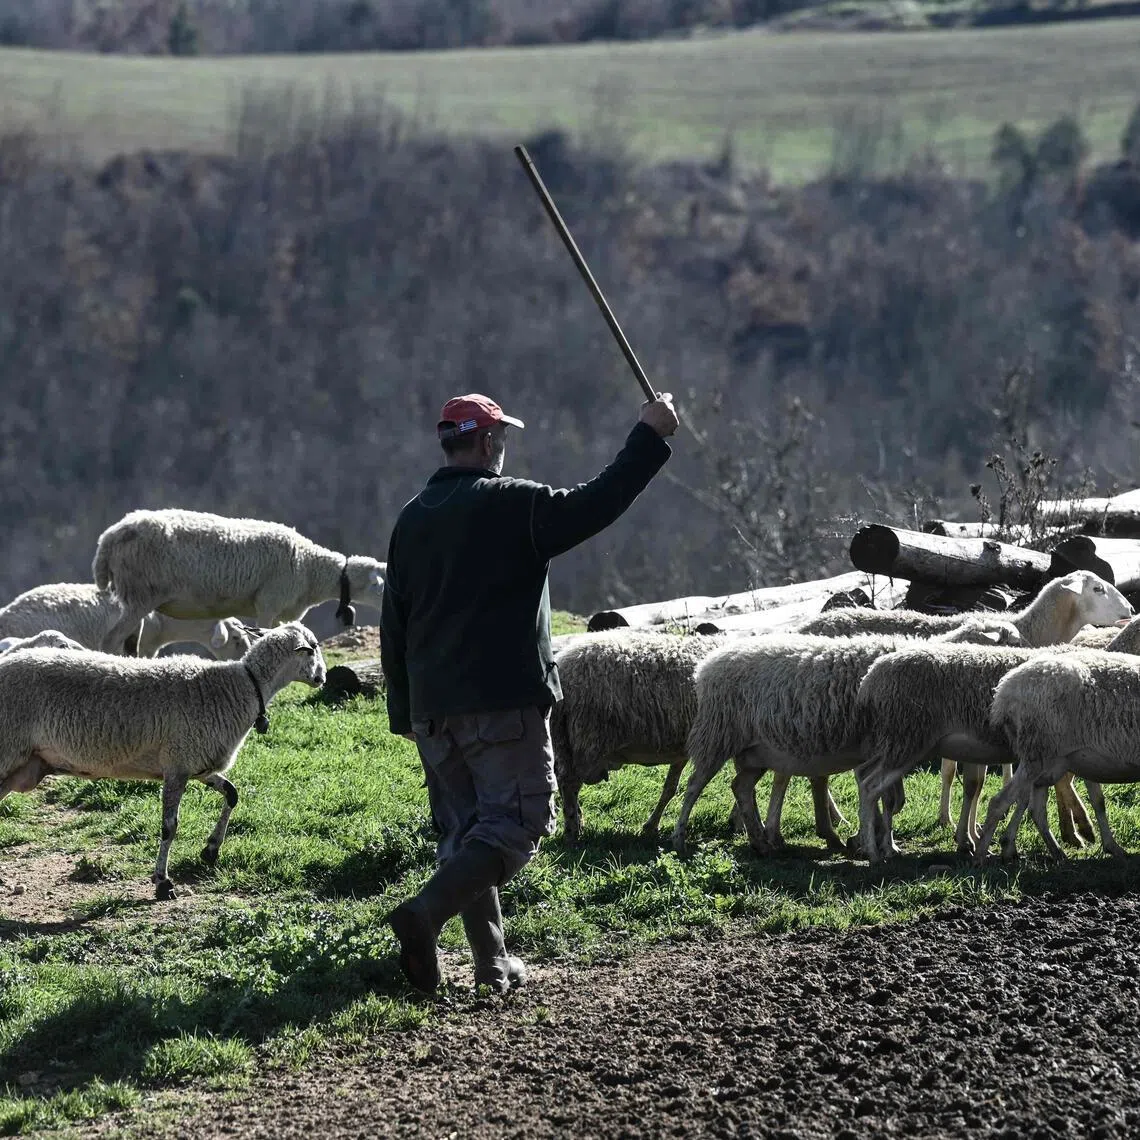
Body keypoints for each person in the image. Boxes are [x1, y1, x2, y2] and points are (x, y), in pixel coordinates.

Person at [379, 390, 678, 994]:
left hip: (434, 711)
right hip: (502, 702)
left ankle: (492, 965)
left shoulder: (411, 518)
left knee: (467, 834)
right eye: (503, 438)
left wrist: (405, 713)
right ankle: (424, 915)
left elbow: (394, 624)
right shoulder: (515, 504)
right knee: (518, 824)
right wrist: (650, 436)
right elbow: (596, 504)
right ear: (488, 442)